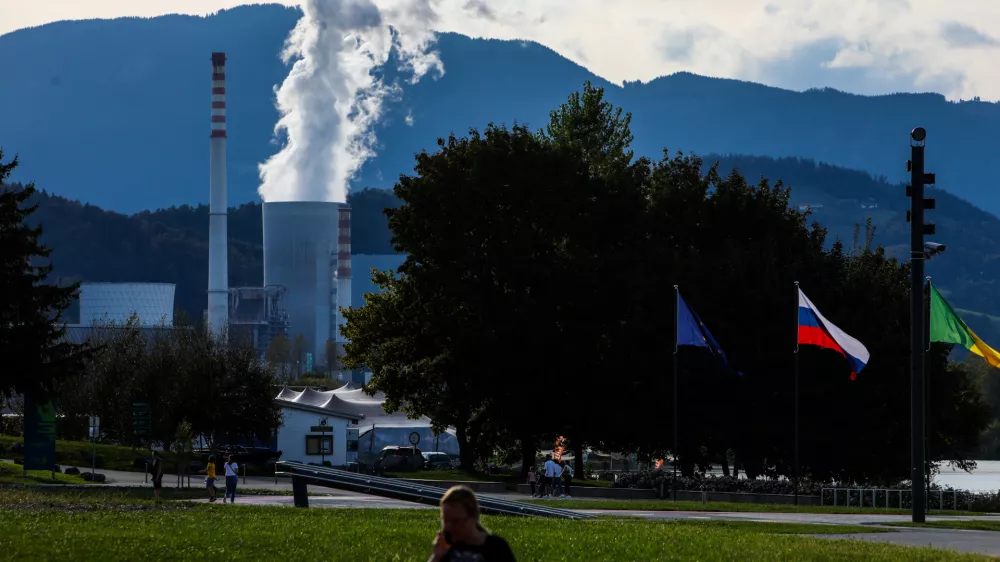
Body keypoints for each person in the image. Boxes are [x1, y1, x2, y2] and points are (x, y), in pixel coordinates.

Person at [428, 485, 516, 562]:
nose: (448, 527)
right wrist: (436, 557)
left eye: (455, 522)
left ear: (474, 517)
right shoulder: (446, 548)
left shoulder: (496, 547)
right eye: (445, 521)